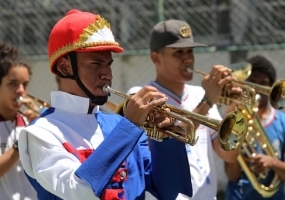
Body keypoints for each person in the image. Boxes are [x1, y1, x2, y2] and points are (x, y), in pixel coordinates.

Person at [18, 9, 193, 200]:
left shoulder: (120, 125)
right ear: (65, 67)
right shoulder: (39, 133)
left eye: (108, 64)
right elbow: (80, 191)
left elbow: (169, 192)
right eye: (96, 63)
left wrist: (167, 140)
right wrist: (130, 127)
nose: (107, 75)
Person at [127, 19, 243, 200]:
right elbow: (164, 142)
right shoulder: (142, 95)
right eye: (178, 52)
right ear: (156, 58)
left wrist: (233, 111)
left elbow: (228, 155)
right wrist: (208, 101)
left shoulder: (199, 94)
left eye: (190, 51)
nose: (188, 58)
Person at [224, 55, 285, 200]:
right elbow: (232, 175)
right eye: (252, 82)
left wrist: (272, 162)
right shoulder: (235, 119)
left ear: (271, 87)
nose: (256, 89)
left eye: (263, 84)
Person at [0, 41, 37, 199]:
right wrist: (20, 144)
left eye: (25, 84)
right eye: (13, 84)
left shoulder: (29, 122)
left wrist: (41, 126)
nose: (21, 90)